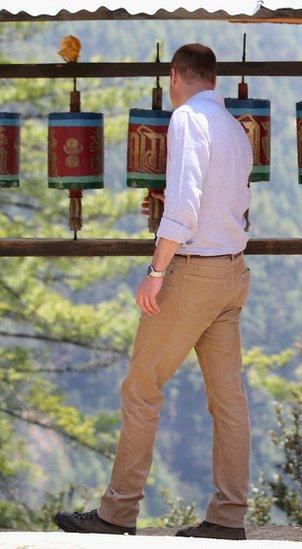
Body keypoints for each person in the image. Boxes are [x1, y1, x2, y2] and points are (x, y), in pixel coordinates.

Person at [54, 43, 254, 540]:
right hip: (233, 272)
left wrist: (157, 271)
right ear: (213, 77)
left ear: (175, 76)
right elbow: (230, 200)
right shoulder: (234, 128)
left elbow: (185, 202)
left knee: (141, 389)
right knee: (228, 401)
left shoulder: (187, 118)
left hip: (191, 273)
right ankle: (228, 518)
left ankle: (117, 513)